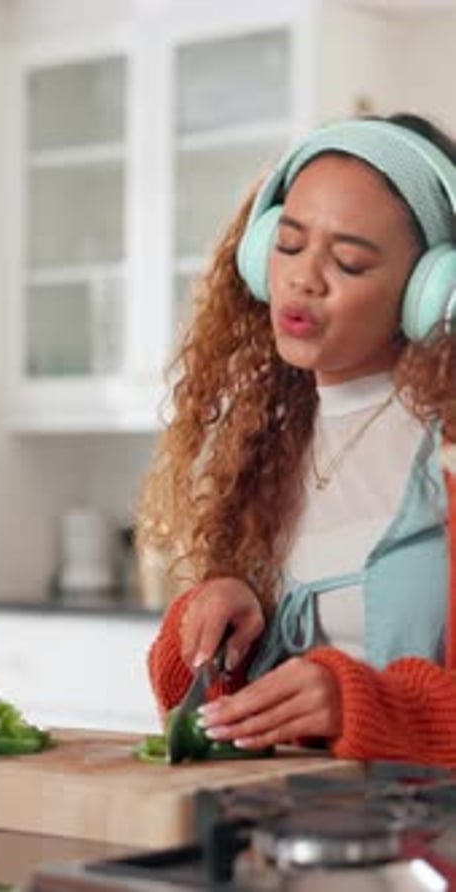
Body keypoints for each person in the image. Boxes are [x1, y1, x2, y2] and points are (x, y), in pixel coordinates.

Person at [137, 112, 456, 766]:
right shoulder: (264, 442)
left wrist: (360, 704)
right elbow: (192, 707)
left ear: (433, 289)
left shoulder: (445, 453)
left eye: (348, 260)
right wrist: (212, 618)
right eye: (287, 246)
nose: (303, 278)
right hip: (283, 844)